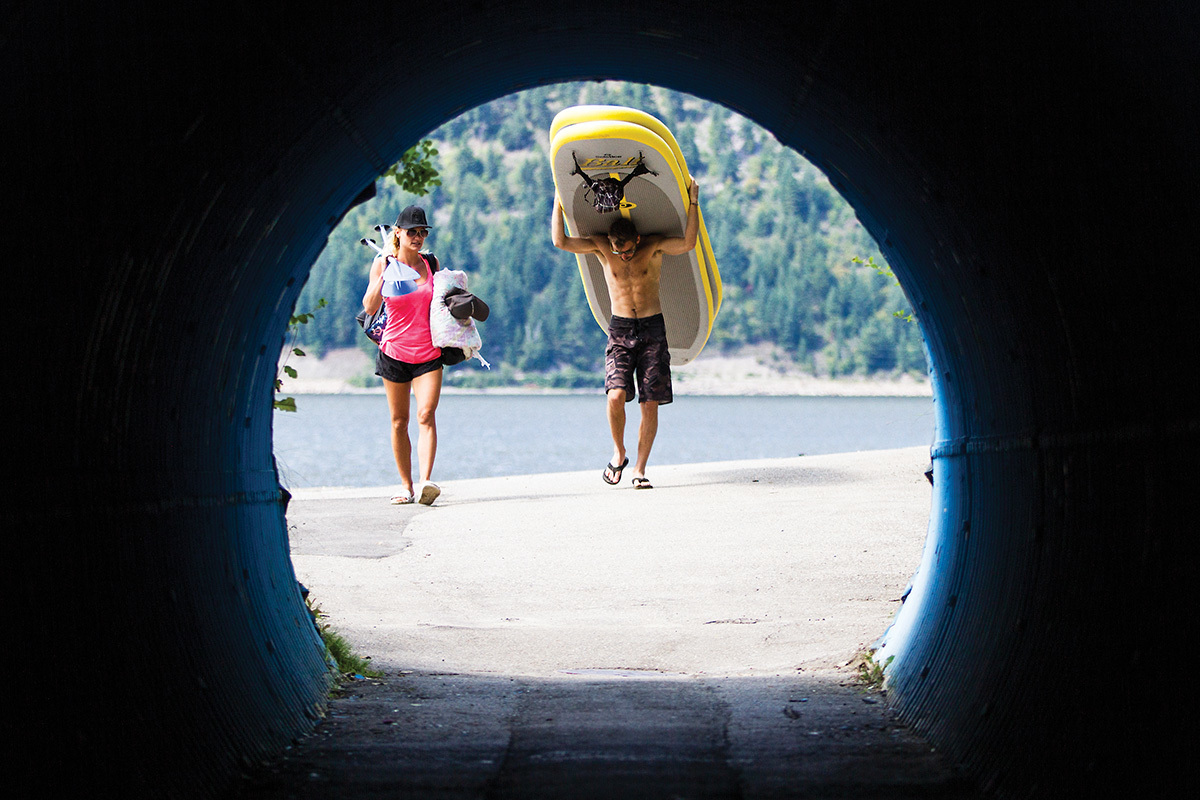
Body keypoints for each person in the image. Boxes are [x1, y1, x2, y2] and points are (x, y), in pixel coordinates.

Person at [551, 178, 700, 489]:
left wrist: (693, 202)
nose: (624, 256)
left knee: (650, 402)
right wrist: (559, 196)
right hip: (619, 330)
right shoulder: (602, 246)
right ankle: (619, 453)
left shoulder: (654, 245)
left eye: (629, 251)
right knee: (615, 396)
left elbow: (687, 243)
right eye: (619, 251)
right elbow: (561, 242)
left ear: (638, 239)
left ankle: (640, 470)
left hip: (652, 329)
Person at [362, 205, 443, 505]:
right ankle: (406, 485)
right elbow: (370, 306)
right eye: (413, 231)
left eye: (423, 232)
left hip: (429, 353)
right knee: (399, 421)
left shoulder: (431, 263)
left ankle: (425, 483)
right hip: (394, 353)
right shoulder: (383, 265)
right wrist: (385, 271)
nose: (418, 237)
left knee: (426, 414)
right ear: (398, 232)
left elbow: (444, 298)